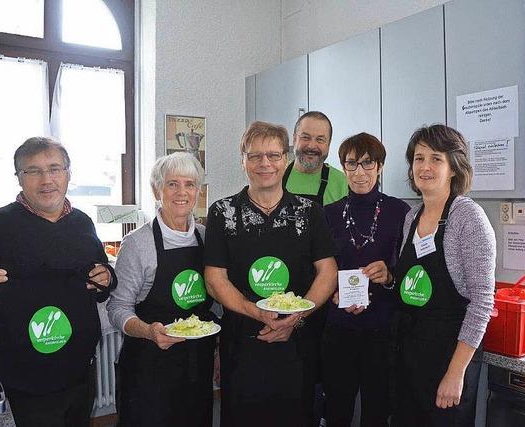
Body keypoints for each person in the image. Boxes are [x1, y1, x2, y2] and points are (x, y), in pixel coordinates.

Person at [0, 137, 115, 427]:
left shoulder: (82, 223)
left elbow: (99, 276)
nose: (47, 180)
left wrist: (106, 277)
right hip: (27, 382)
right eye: (33, 171)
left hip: (79, 371)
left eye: (55, 168)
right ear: (19, 178)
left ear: (68, 173)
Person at [204, 121, 338, 427]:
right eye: (255, 156)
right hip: (242, 347)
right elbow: (214, 279)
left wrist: (296, 318)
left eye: (274, 155)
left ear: (286, 159)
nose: (265, 163)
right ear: (243, 161)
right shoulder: (223, 213)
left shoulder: (309, 212)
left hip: (297, 348)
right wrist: (258, 313)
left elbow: (328, 273)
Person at [391, 125, 495, 426]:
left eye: (436, 158)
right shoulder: (412, 217)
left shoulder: (468, 218)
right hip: (409, 354)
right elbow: (410, 285)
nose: (424, 167)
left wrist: (455, 373)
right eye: (418, 158)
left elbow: (482, 304)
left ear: (453, 168)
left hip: (449, 356)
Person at [107, 152, 215, 427]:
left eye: (190, 184)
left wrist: (217, 349)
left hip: (196, 364)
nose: (182, 192)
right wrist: (148, 331)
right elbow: (117, 307)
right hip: (149, 366)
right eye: (172, 184)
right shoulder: (138, 243)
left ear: (198, 191)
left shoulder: (207, 238)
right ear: (157, 189)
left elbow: (214, 302)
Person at [322, 133, 410, 426]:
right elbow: (316, 270)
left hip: (382, 331)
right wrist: (332, 292)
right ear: (343, 168)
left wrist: (389, 276)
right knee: (337, 410)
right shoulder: (327, 215)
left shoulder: (400, 212)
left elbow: (411, 275)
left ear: (380, 166)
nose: (359, 173)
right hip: (338, 328)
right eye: (351, 164)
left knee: (377, 412)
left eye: (367, 164)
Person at [283, 111, 348, 206]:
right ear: (294, 139)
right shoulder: (276, 176)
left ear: (329, 144)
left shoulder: (343, 183)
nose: (311, 146)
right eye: (305, 137)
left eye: (320, 139)